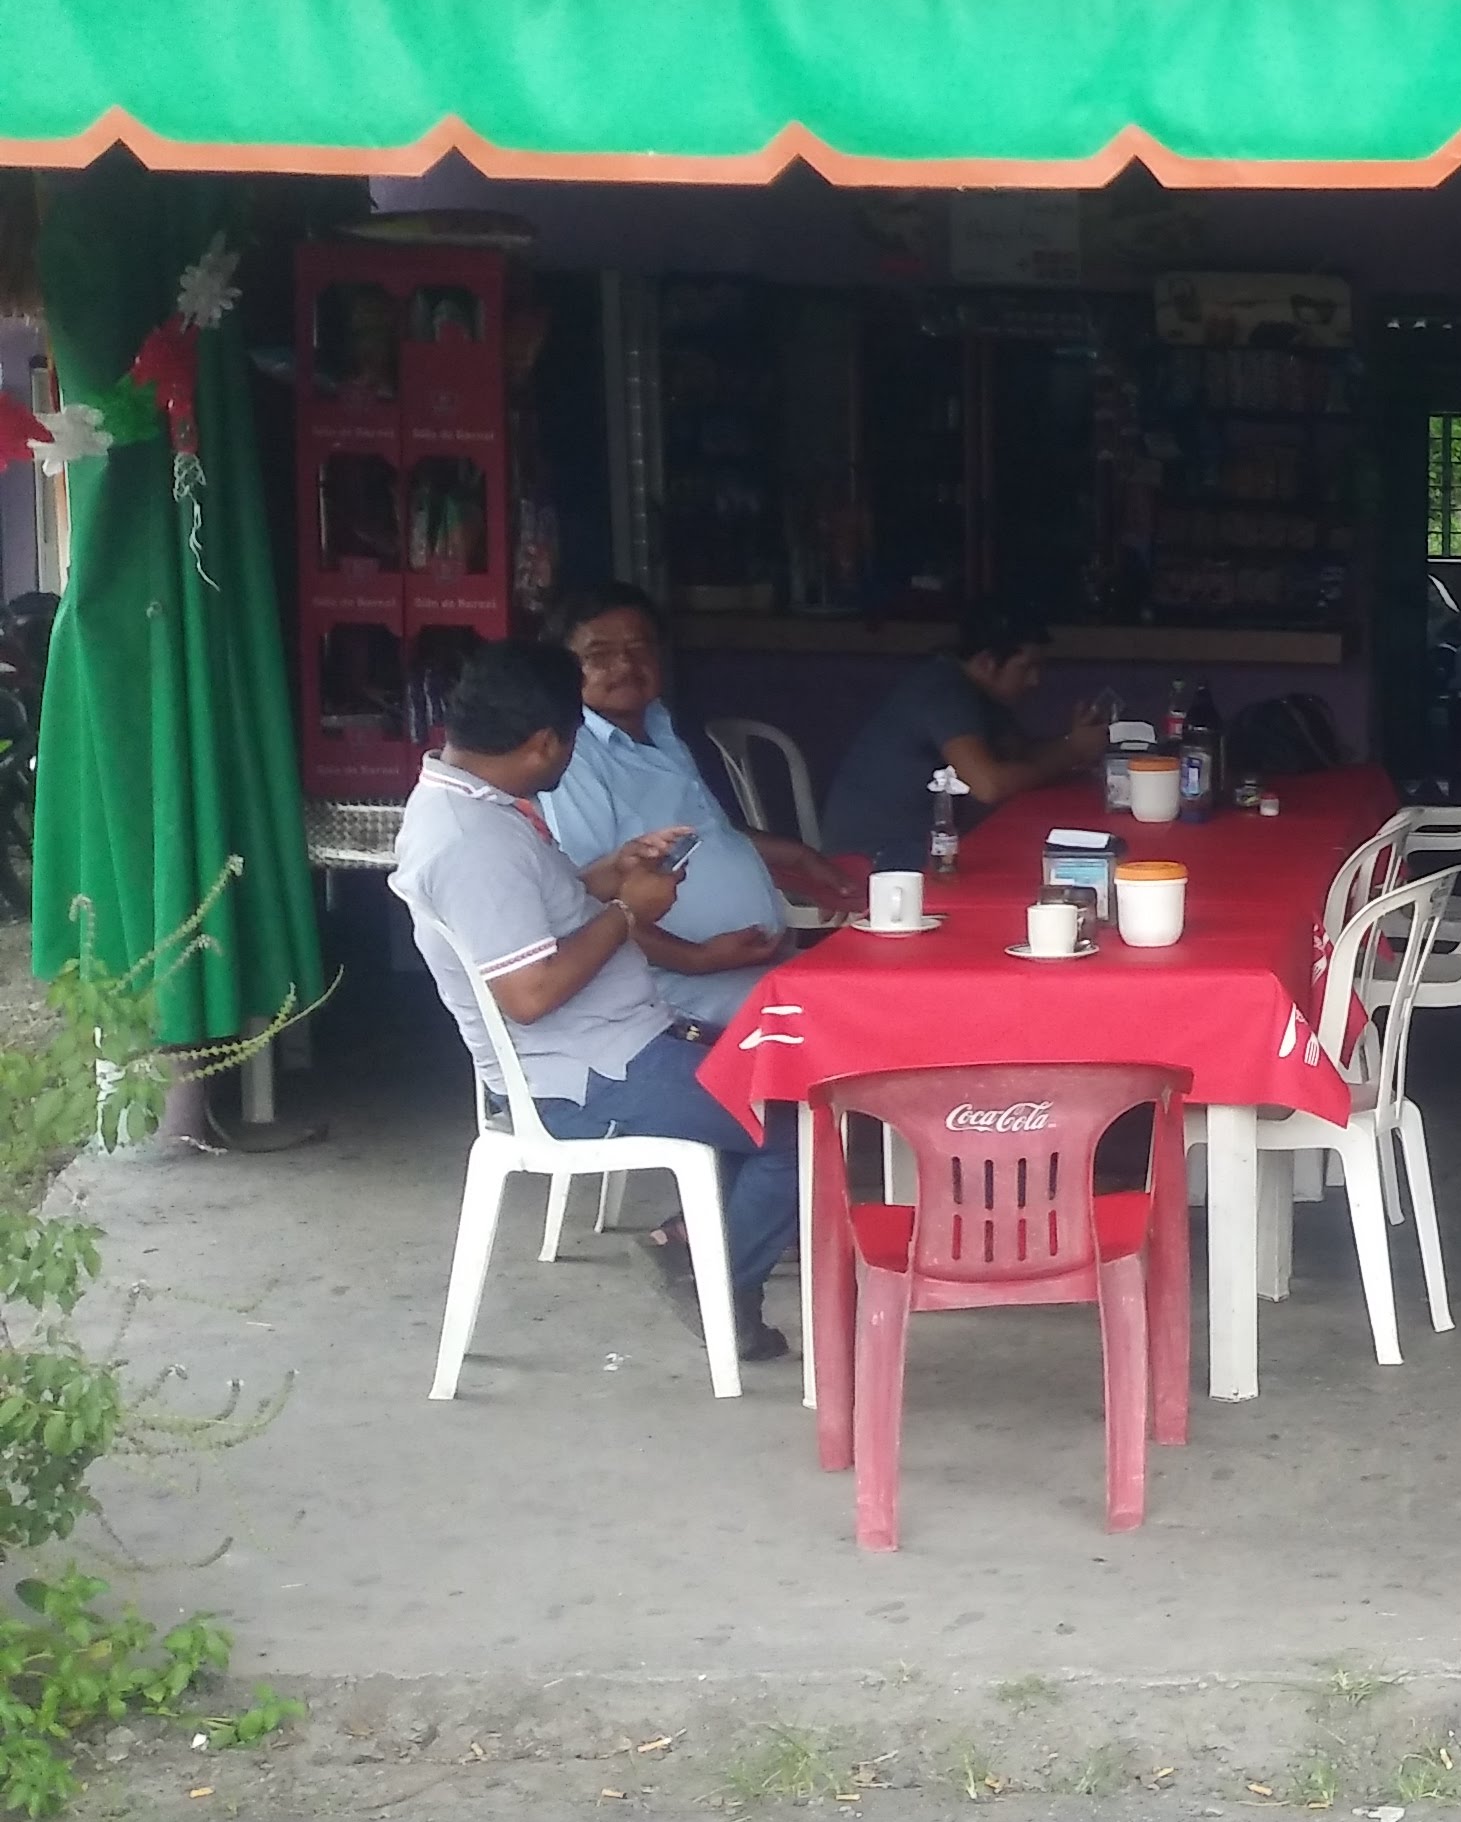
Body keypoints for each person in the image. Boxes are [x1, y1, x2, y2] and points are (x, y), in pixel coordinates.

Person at [389, 641, 799, 1359]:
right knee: (801, 1130)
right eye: (572, 741)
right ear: (545, 741)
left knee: (775, 1077)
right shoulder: (470, 843)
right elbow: (529, 993)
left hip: (616, 1044)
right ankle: (717, 1283)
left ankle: (694, 1250)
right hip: (582, 1079)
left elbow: (530, 915)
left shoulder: (471, 804)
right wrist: (631, 912)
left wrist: (612, 873)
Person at [542, 582, 861, 1027]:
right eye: (599, 655)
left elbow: (706, 831)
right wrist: (697, 958)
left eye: (639, 648)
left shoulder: (658, 724)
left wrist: (798, 856)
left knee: (875, 987)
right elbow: (580, 906)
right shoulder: (572, 758)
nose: (625, 666)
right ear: (563, 667)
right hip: (669, 990)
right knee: (844, 1016)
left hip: (744, 964)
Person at [819, 601, 1111, 871]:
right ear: (986, 663)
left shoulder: (982, 695)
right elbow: (988, 784)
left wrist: (1074, 745)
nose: (1035, 680)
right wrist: (1071, 751)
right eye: (1025, 668)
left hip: (921, 843)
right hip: (874, 856)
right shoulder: (945, 691)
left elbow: (1019, 759)